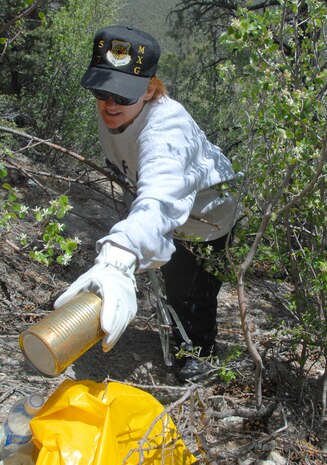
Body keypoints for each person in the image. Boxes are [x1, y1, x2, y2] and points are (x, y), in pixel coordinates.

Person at [54, 25, 239, 382]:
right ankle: (181, 336)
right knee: (174, 279)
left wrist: (120, 253)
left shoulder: (166, 132)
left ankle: (201, 354)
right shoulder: (116, 108)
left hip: (208, 220)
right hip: (164, 212)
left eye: (123, 95)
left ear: (151, 90)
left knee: (192, 290)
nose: (110, 103)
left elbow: (160, 195)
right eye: (102, 90)